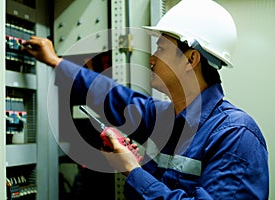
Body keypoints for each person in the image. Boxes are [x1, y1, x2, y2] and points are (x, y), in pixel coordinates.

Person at [22, 0, 269, 199]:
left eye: (160, 49)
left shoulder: (236, 135)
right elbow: (113, 96)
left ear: (191, 60)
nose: (151, 59)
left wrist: (133, 170)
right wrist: (55, 62)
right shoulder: (164, 117)